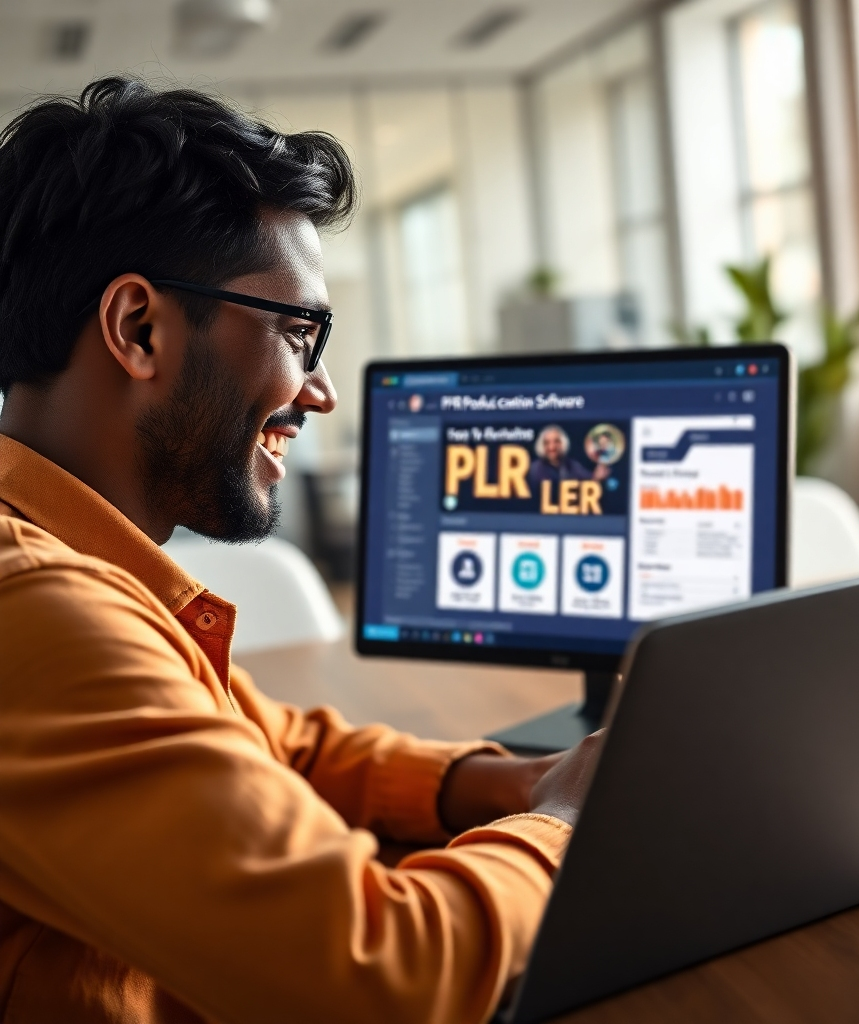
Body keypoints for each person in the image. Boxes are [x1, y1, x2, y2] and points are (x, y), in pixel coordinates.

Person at [0, 78, 602, 1024]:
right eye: (297, 332)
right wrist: (567, 822)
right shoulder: (38, 614)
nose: (318, 392)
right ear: (139, 328)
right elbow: (384, 973)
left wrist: (512, 782)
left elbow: (270, 743)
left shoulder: (72, 564)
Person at [526, 424, 591, 489]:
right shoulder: (533, 470)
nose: (552, 447)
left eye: (556, 442)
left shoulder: (573, 466)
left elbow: (590, 481)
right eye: (547, 443)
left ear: (563, 443)